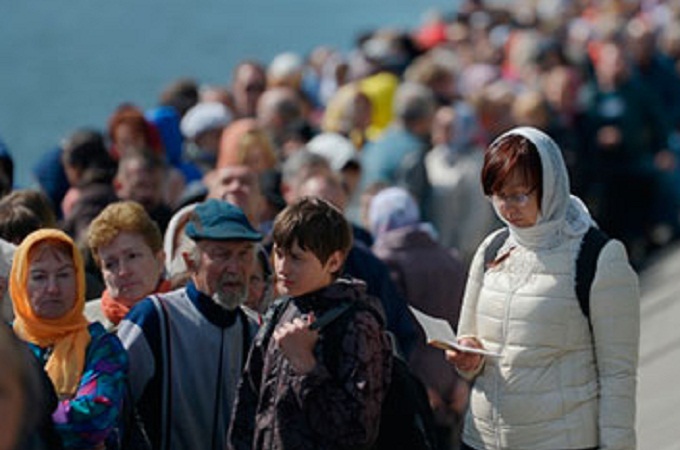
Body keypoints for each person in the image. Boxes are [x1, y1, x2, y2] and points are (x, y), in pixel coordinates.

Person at [444, 127, 639, 450]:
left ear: (549, 186)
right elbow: (472, 346)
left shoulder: (598, 256)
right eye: (498, 194)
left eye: (519, 194)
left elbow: (618, 376)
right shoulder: (492, 248)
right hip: (482, 439)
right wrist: (466, 357)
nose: (508, 207)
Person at [228, 196, 393, 450]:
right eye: (279, 254)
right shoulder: (280, 310)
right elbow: (249, 403)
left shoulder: (358, 324)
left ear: (334, 261)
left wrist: (306, 365)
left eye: (296, 257)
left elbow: (358, 432)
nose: (283, 268)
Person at [117, 199, 261, 450]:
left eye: (244, 254)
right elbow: (113, 410)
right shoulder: (153, 319)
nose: (235, 268)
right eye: (222, 254)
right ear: (191, 261)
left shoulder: (254, 328)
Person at [367, 186, 468, 450]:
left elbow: (395, 328)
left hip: (411, 377)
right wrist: (463, 382)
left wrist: (419, 383)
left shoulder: (383, 262)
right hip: (454, 375)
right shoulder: (451, 258)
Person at [9, 229, 128, 449]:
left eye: (63, 275)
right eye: (39, 277)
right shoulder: (6, 344)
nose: (53, 288)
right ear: (20, 283)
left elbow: (95, 417)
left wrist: (18, 417)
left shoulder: (100, 345)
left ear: (78, 281)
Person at [85, 201, 171, 331]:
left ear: (159, 260)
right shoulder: (84, 324)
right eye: (110, 264)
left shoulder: (186, 315)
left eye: (132, 256)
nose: (123, 272)